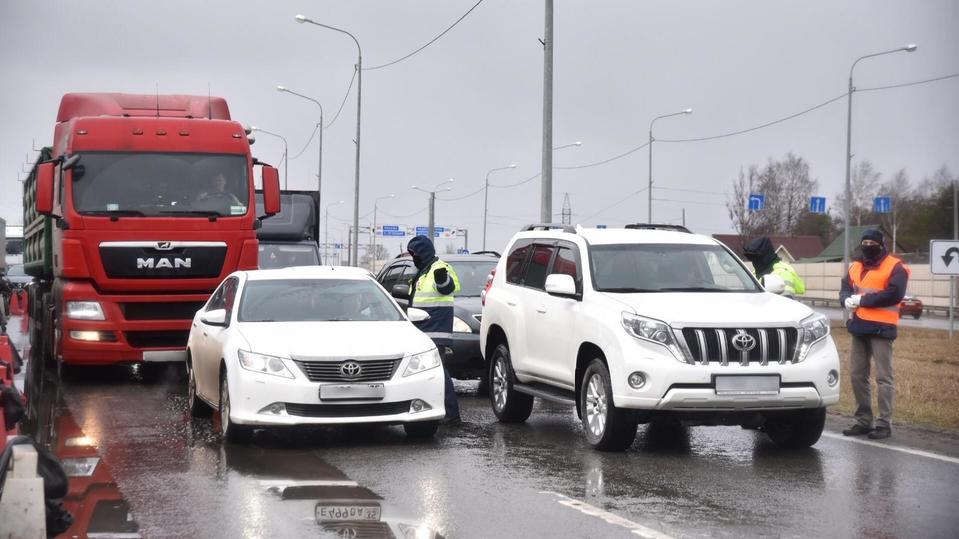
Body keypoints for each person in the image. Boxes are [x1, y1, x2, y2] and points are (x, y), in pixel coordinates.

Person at [839, 229, 910, 440]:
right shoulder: (855, 265)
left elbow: (895, 293)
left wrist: (862, 300)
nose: (868, 245)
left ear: (881, 244)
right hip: (859, 326)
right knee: (857, 376)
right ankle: (863, 421)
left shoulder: (896, 266)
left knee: (883, 378)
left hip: (882, 328)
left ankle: (884, 423)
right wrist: (845, 300)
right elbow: (845, 287)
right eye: (865, 242)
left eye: (872, 242)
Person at [406, 235, 462, 425]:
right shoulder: (423, 271)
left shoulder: (439, 268)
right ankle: (431, 411)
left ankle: (452, 415)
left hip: (436, 331)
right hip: (422, 332)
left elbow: (449, 287)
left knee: (439, 375)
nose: (413, 258)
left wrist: (442, 280)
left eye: (414, 254)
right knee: (430, 374)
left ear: (423, 252)